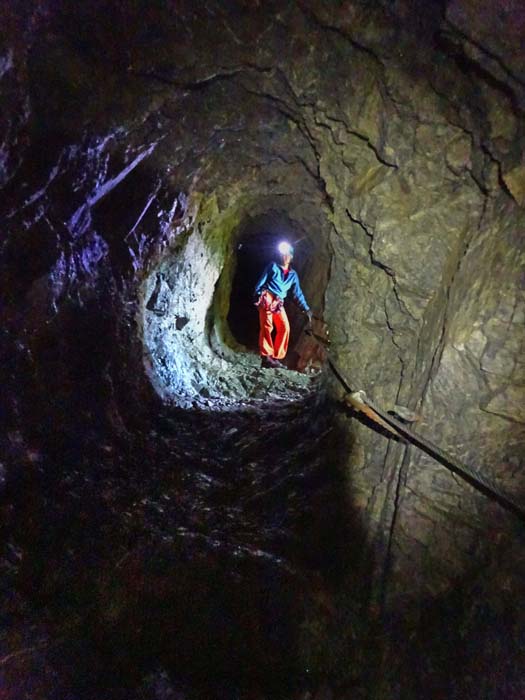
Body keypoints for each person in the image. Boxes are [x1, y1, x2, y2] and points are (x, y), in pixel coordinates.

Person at [254, 241, 313, 369]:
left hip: (278, 301)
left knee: (284, 327)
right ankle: (266, 356)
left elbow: (297, 293)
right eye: (282, 254)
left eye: (287, 254)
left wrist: (306, 308)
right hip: (267, 296)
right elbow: (261, 281)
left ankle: (275, 357)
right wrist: (257, 294)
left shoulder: (293, 275)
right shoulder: (273, 267)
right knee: (267, 325)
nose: (284, 256)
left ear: (291, 257)